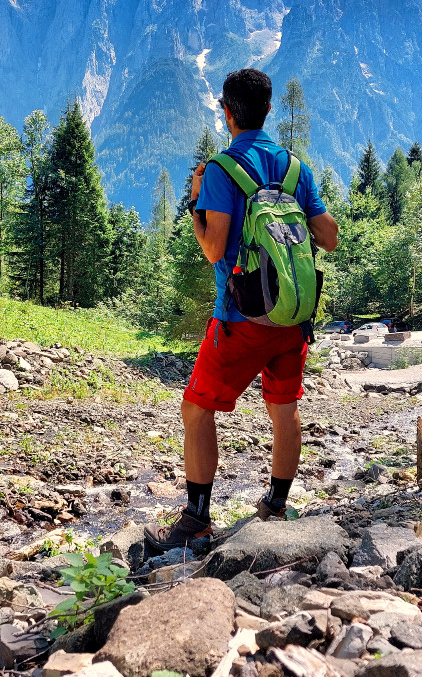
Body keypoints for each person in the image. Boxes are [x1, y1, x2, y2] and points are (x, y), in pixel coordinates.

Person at [144, 68, 338, 551]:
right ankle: (274, 505)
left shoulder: (220, 170)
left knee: (196, 407)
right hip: (293, 316)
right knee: (283, 407)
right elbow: (329, 237)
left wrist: (195, 203)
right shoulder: (296, 170)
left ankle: (197, 517)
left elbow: (213, 249)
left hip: (239, 318)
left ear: (227, 113)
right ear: (269, 109)